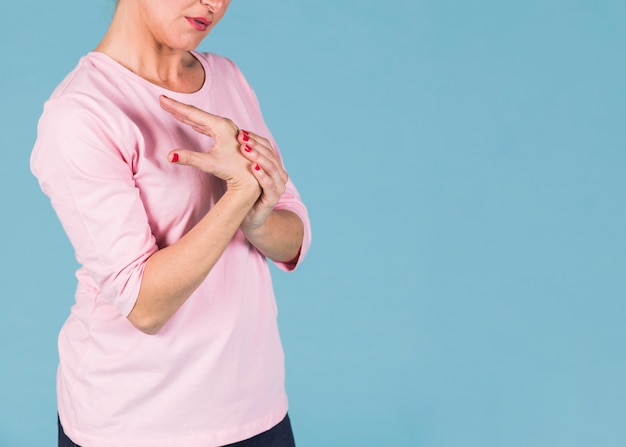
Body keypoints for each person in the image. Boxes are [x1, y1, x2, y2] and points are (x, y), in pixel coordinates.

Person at [30, 0, 311, 446]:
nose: (214, 4)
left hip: (257, 411)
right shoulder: (81, 113)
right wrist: (239, 196)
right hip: (138, 423)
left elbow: (293, 232)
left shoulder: (227, 77)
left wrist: (258, 221)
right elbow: (144, 305)